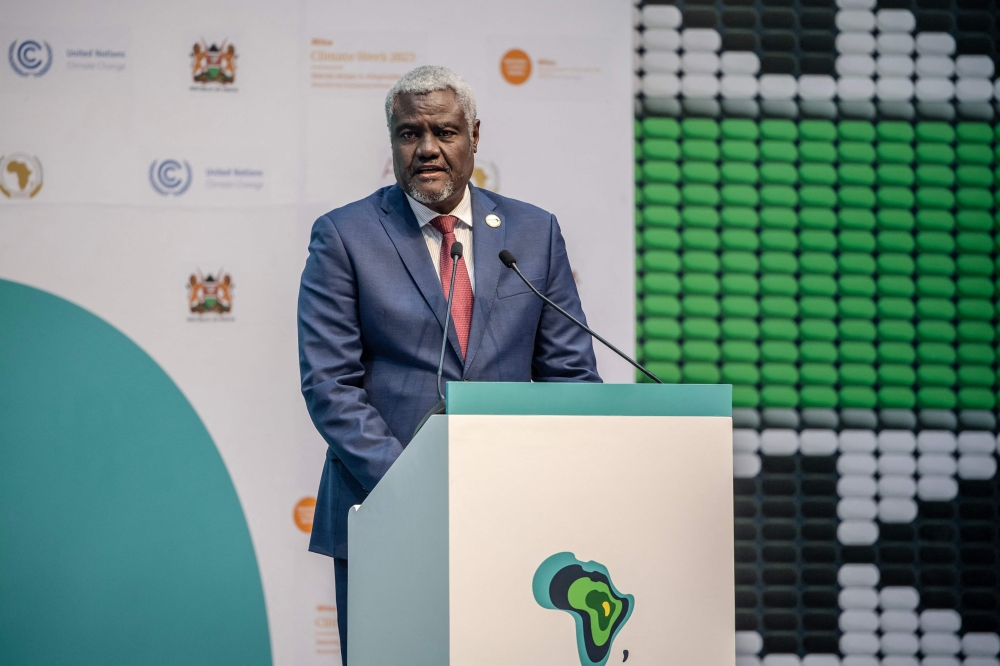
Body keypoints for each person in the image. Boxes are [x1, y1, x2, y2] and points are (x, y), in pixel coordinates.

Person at [297, 65, 600, 665]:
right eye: (410, 133)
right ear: (391, 143)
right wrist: (418, 487)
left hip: (513, 515)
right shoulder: (345, 236)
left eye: (445, 131)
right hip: (386, 509)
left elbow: (571, 377)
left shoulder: (533, 232)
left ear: (475, 136)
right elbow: (331, 384)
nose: (428, 148)